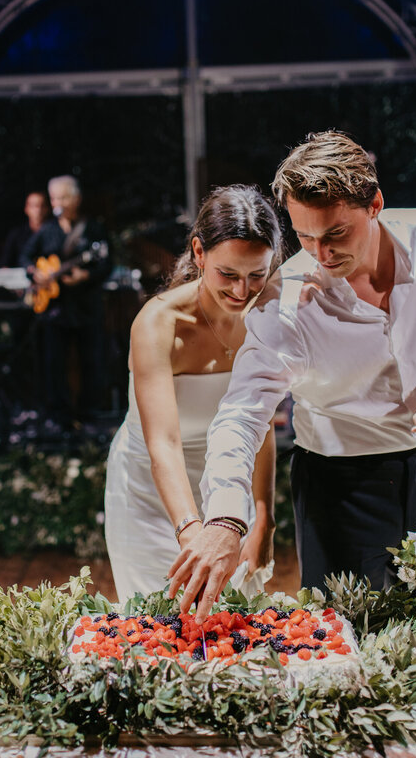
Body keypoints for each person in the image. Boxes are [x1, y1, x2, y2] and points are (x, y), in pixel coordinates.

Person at [169, 131, 416, 620]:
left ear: (375, 203)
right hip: (340, 490)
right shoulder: (286, 304)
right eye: (305, 236)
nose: (320, 252)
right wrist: (227, 519)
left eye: (336, 233)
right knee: (350, 646)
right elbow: (241, 413)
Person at [104, 185, 284, 602]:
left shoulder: (269, 314)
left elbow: (261, 427)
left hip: (226, 487)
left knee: (225, 627)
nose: (243, 291)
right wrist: (192, 531)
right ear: (199, 253)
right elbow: (162, 446)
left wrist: (262, 520)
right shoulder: (158, 323)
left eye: (257, 275)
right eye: (229, 274)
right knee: (160, 623)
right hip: (149, 494)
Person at [19, 175, 112, 425]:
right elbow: (25, 256)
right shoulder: (47, 231)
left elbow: (107, 264)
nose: (59, 202)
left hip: (85, 307)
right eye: (55, 198)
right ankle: (58, 416)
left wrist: (86, 274)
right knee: (54, 364)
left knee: (90, 361)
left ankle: (89, 414)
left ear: (77, 199)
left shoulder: (93, 229)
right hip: (55, 310)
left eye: (63, 197)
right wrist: (35, 272)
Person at [0, 191, 49, 268]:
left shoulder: (53, 233)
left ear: (47, 209)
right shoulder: (16, 235)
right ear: (26, 209)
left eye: (42, 206)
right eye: (34, 206)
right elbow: (6, 264)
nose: (38, 210)